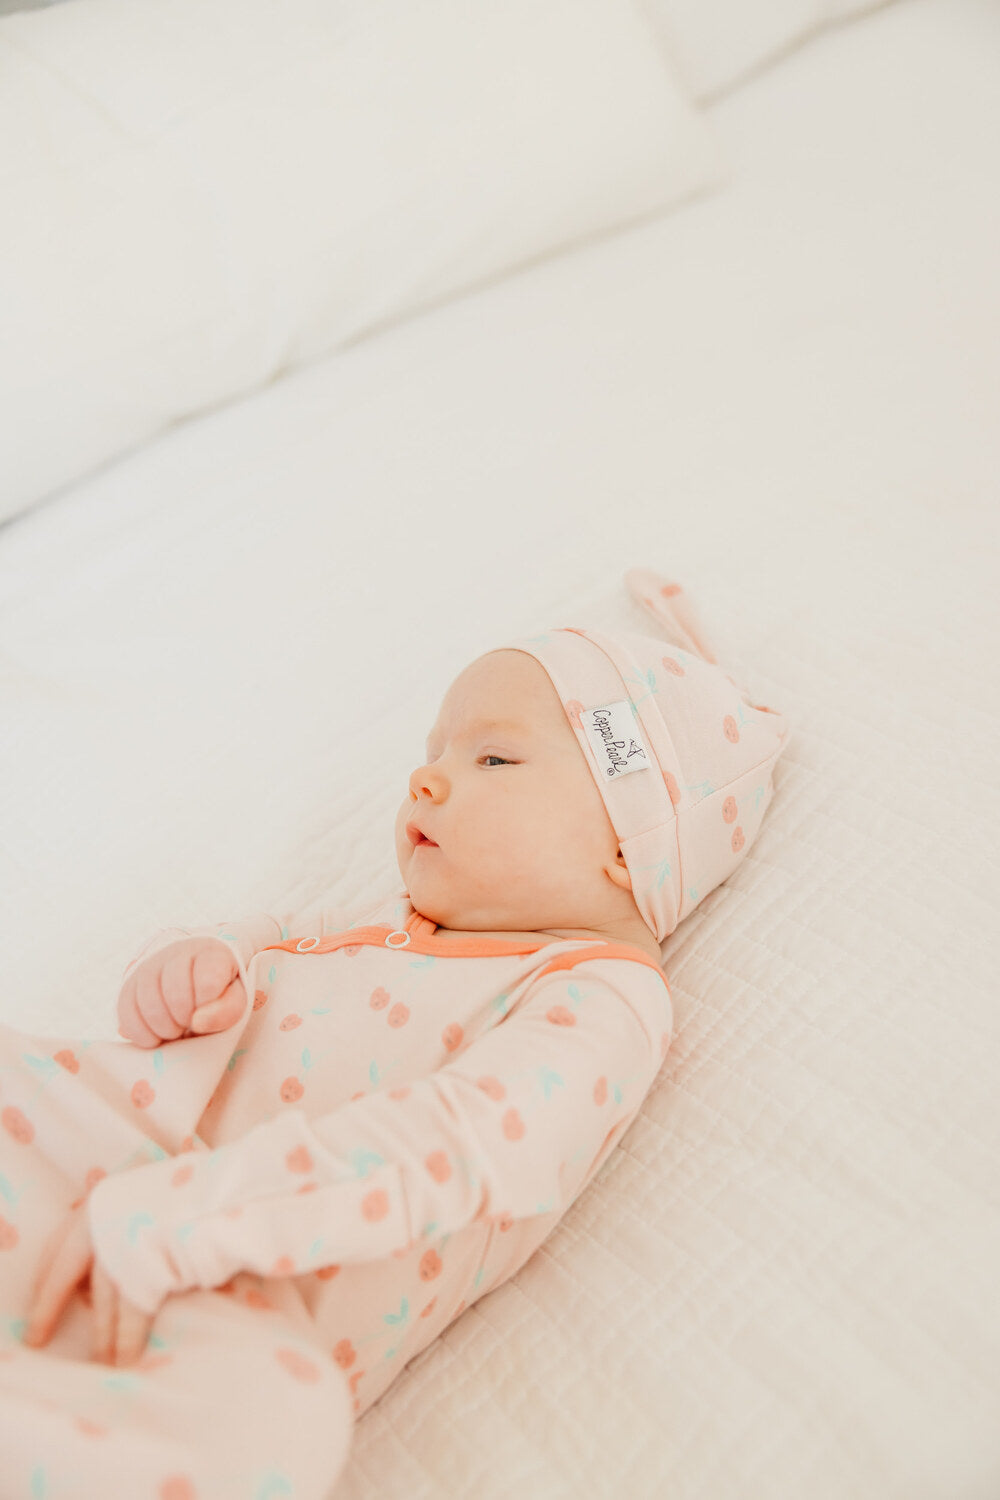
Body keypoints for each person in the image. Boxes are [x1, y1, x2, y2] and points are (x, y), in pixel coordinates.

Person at [0, 569, 787, 1500]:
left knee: (272, 1429)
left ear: (631, 843)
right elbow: (264, 946)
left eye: (493, 760)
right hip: (87, 1143)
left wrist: (189, 1216)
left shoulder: (600, 994)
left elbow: (470, 1145)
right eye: (434, 753)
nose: (427, 777)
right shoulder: (381, 926)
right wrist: (199, 965)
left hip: (247, 1292)